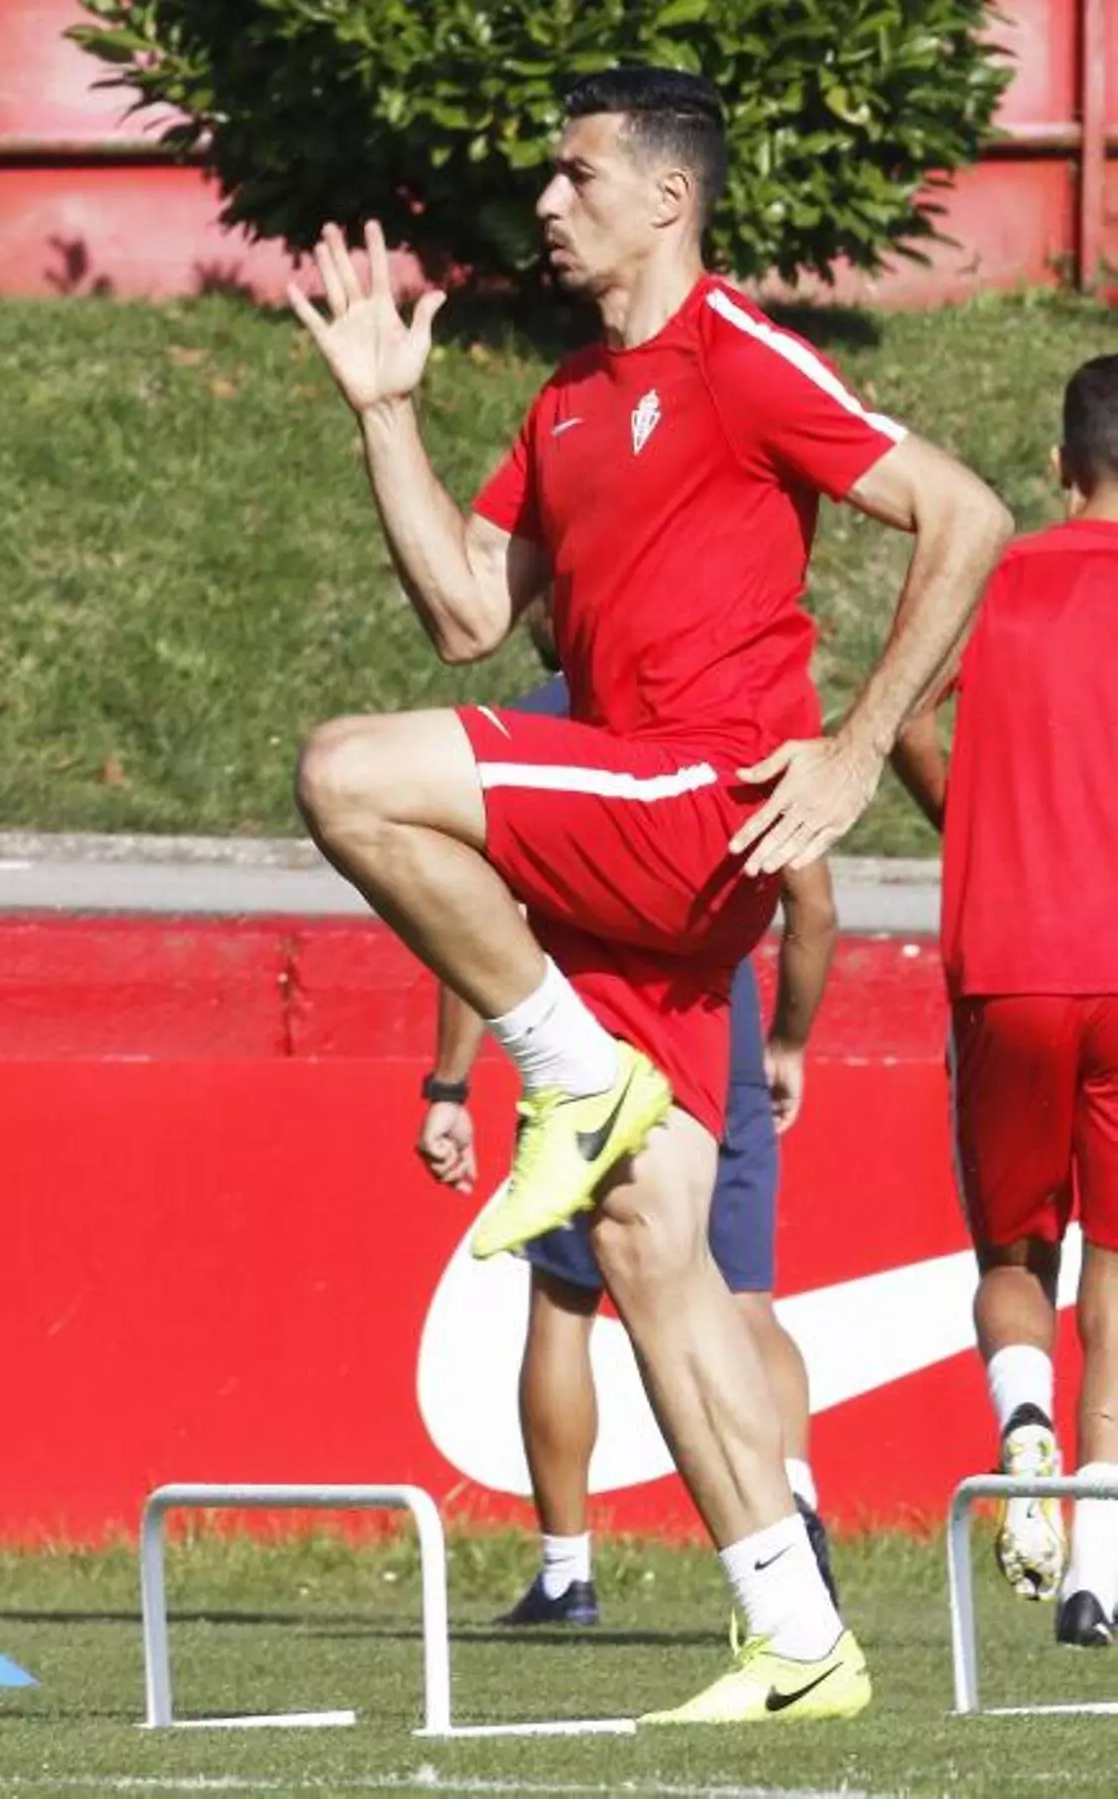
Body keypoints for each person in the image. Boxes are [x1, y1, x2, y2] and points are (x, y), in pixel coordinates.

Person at [287, 64, 1011, 1722]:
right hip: (632, 842)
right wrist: (385, 415)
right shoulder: (563, 401)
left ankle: (568, 1065)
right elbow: (469, 613)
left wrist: (857, 749)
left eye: (579, 174)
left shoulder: (737, 354)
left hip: (697, 802)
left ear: (670, 198)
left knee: (345, 771)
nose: (549, 201)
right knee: (646, 1239)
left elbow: (964, 513)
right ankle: (797, 1633)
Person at [419, 665, 839, 1627]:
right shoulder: (731, 709)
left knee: (565, 1304)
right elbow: (812, 907)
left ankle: (566, 1571)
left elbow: (475, 919)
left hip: (596, 1045)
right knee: (745, 1300)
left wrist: (449, 1084)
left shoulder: (531, 723)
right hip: (721, 1037)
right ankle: (796, 1507)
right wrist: (788, 1042)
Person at [892, 353, 1118, 1651]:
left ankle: (1022, 1421)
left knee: (1015, 1257)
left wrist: (979, 828)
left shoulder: (995, 576)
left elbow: (903, 719)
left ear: (1058, 464)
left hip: (1010, 962)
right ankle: (1100, 1568)